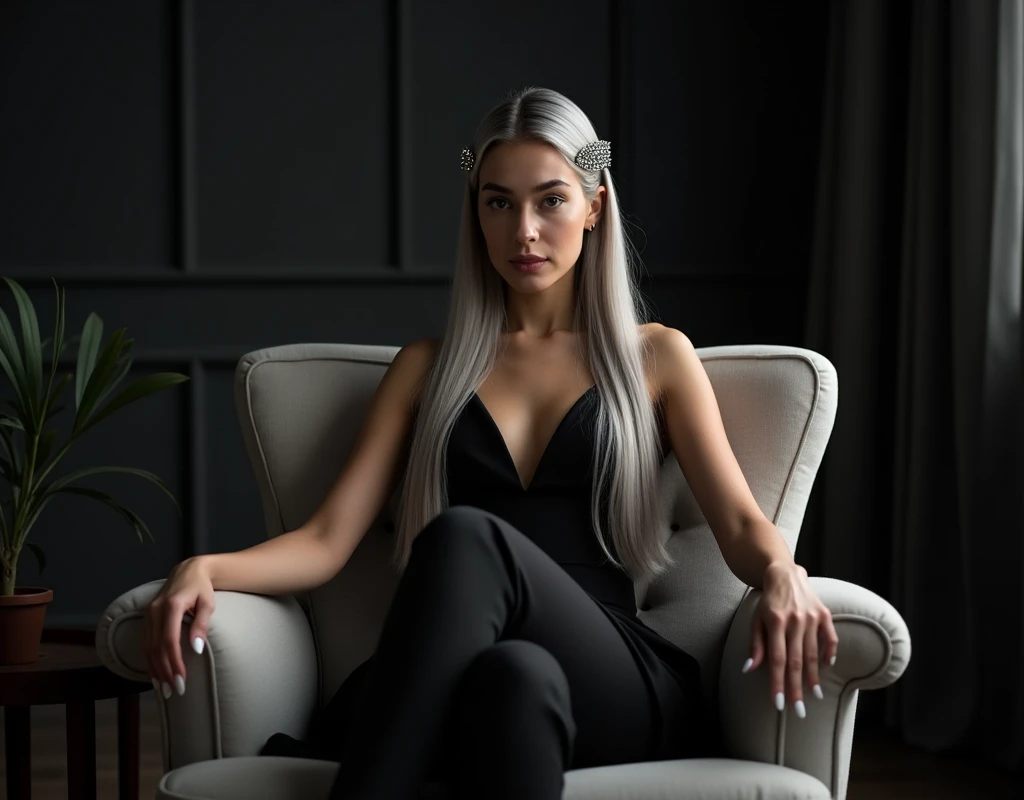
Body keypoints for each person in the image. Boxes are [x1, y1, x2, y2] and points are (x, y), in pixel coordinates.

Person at [143, 86, 840, 799]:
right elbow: (325, 540)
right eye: (498, 202)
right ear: (475, 214)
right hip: (480, 680)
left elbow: (741, 523)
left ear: (595, 204)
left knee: (465, 538)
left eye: (550, 200)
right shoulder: (427, 367)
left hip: (610, 672)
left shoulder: (656, 356)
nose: (524, 232)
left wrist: (784, 573)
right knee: (514, 676)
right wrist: (209, 566)